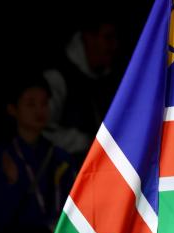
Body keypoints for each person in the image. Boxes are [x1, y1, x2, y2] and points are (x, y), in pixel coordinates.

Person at [0, 72, 77, 233]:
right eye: (31, 104)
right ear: (12, 109)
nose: (39, 110)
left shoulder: (61, 157)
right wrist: (12, 185)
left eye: (44, 103)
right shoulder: (1, 159)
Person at [43, 17, 120, 164]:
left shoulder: (111, 77)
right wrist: (87, 142)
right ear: (89, 38)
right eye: (108, 37)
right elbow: (43, 131)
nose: (114, 45)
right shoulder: (58, 76)